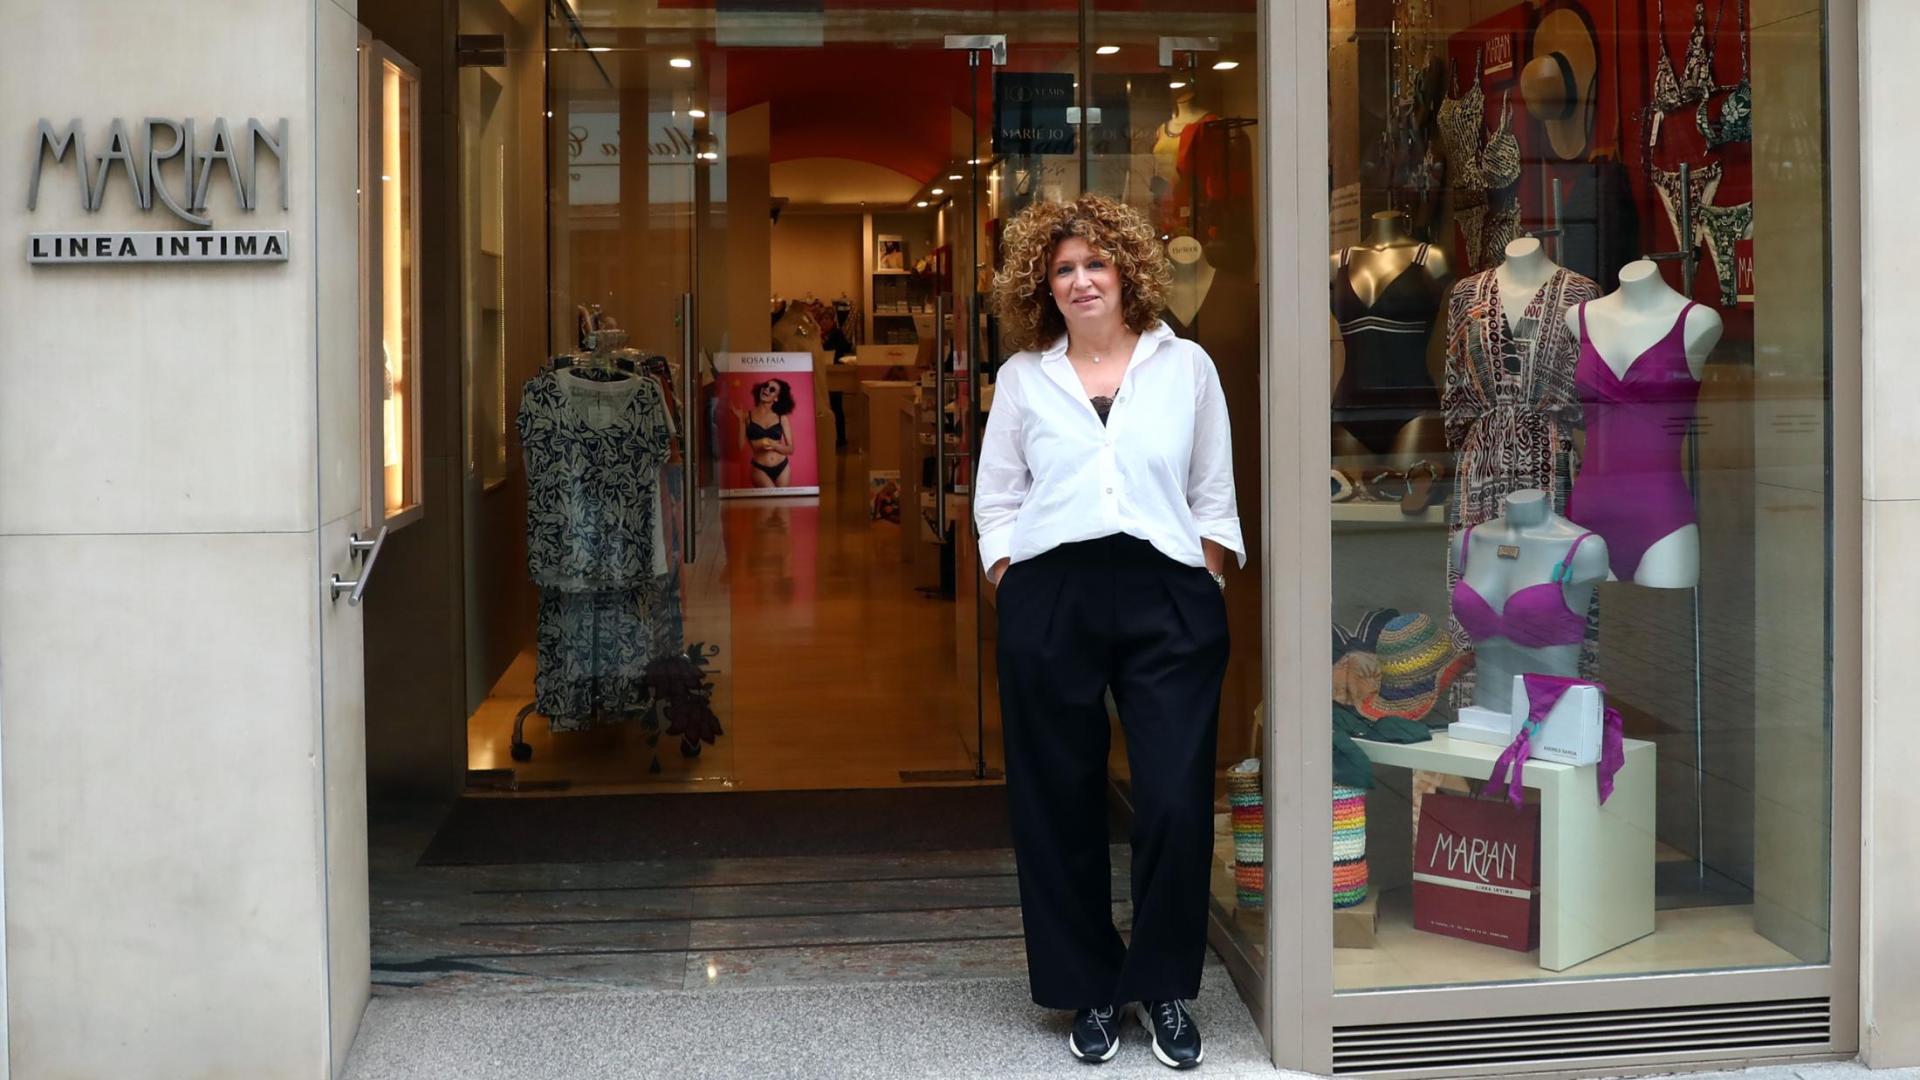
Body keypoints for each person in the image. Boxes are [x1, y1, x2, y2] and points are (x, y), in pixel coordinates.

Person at [976, 195, 1242, 1070]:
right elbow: (998, 500)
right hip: (1053, 592)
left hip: (1165, 592)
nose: (1081, 280)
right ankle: (1090, 986)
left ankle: (1163, 984)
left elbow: (1212, 489)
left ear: (1128, 268)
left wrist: (1203, 568)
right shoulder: (1024, 378)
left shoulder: (1186, 366)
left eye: (1095, 263)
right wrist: (1011, 579)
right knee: (1058, 797)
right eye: (1062, 269)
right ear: (1040, 288)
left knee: (1171, 796)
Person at [734, 379, 796, 488]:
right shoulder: (747, 416)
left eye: (772, 389)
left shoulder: (782, 417)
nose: (766, 389)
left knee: (783, 504)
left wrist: (774, 445)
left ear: (776, 398)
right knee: (770, 503)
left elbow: (790, 449)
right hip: (759, 468)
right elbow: (740, 447)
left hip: (782, 467)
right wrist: (740, 420)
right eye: (765, 385)